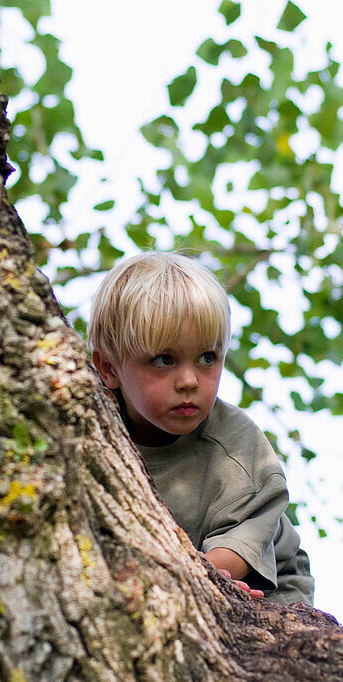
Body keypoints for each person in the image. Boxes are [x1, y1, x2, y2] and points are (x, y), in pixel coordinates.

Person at [87, 252, 314, 606]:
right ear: (109, 368)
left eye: (207, 358)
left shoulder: (236, 447)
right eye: (165, 360)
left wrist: (205, 578)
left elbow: (239, 542)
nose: (190, 381)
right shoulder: (88, 429)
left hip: (267, 589)